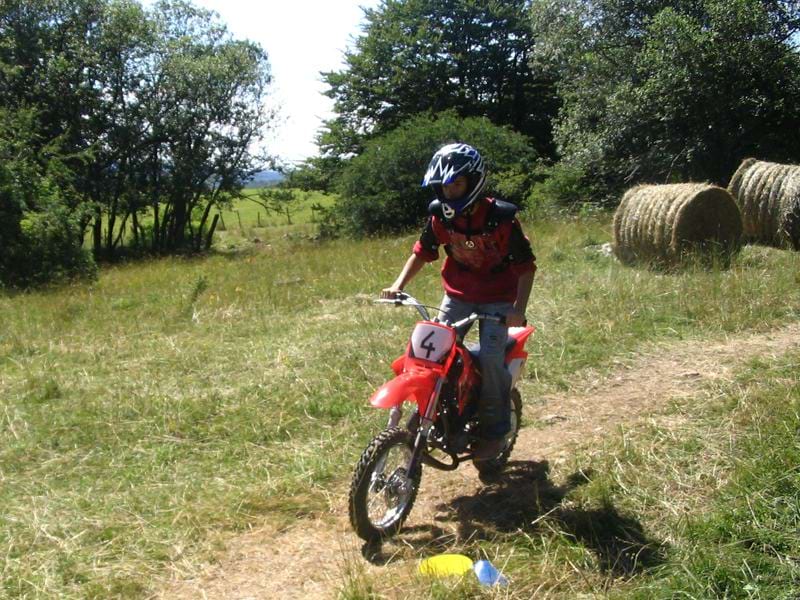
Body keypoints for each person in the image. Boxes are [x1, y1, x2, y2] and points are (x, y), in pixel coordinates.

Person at [380, 142, 536, 460]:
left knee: (492, 358)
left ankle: (495, 430)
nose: (450, 192)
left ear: (473, 181)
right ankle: (440, 412)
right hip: (458, 295)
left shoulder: (501, 218)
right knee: (434, 354)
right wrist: (397, 285)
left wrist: (517, 310)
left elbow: (526, 268)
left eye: (457, 184)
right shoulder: (441, 217)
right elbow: (423, 252)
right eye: (445, 185)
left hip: (498, 299)